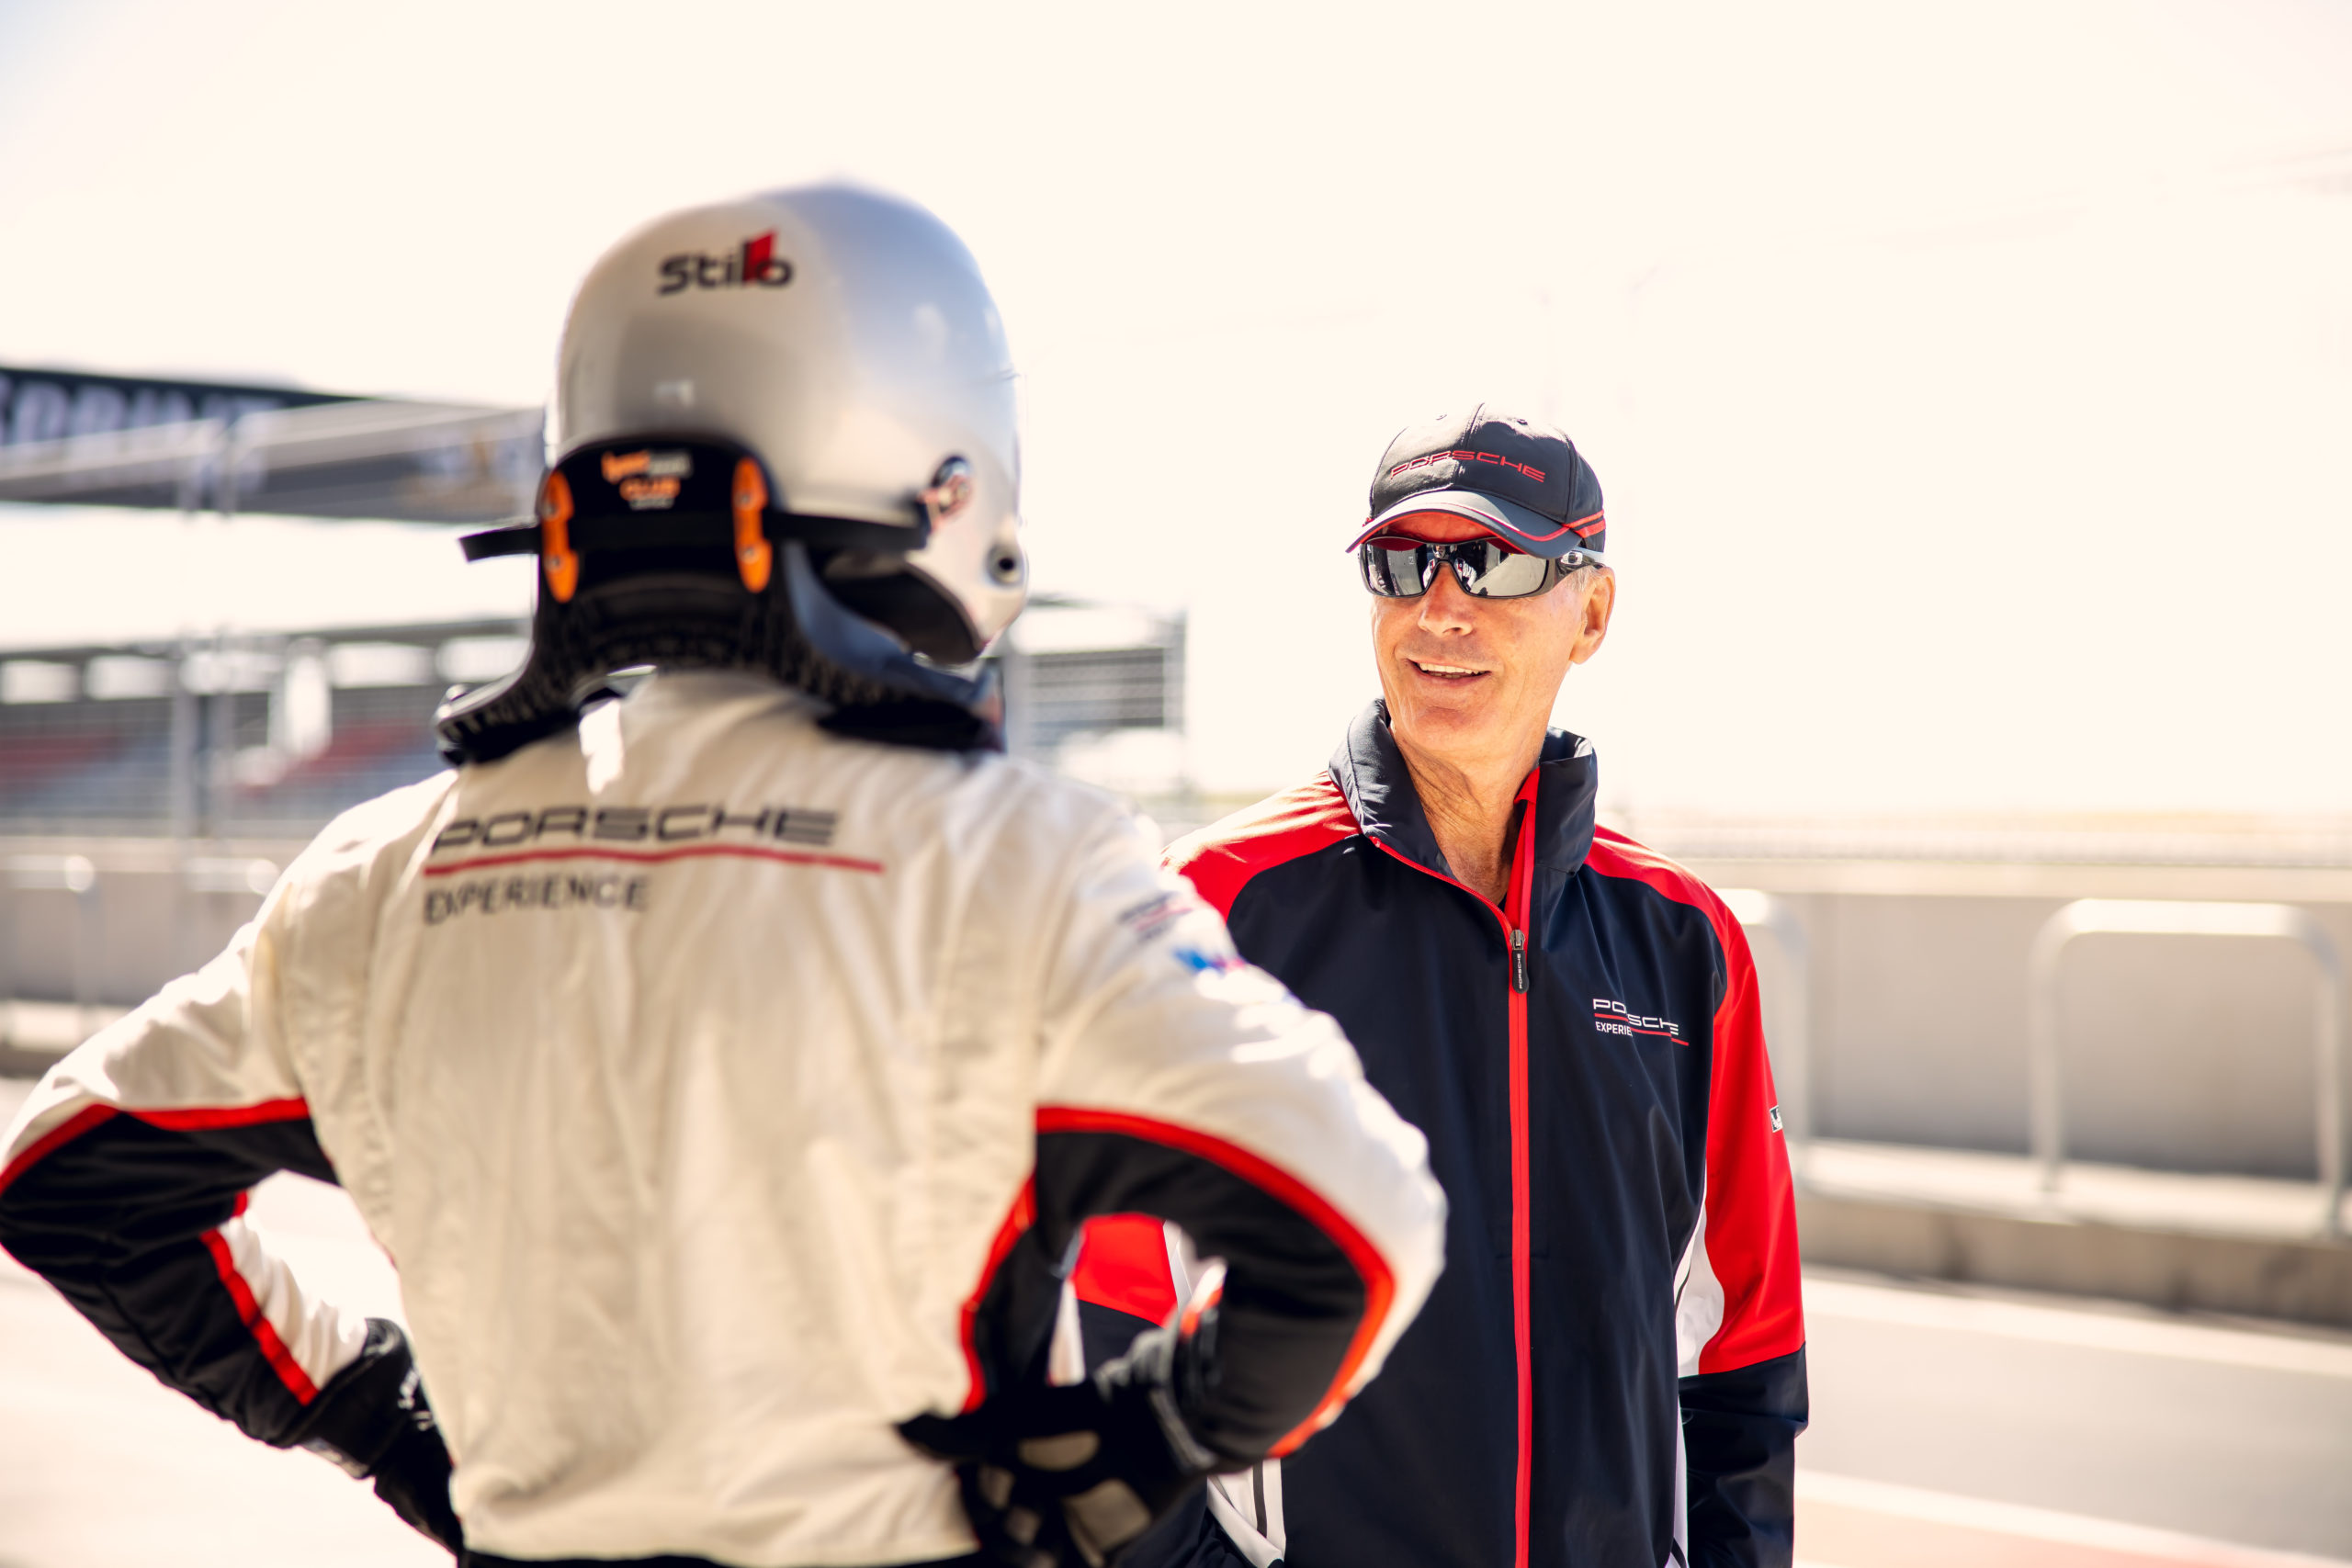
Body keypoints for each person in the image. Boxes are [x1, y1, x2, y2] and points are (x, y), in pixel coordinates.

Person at [0, 186, 1445, 1568]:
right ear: (946, 473)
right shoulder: (1017, 862)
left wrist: (379, 1412)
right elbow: (1360, 1217)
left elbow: (68, 1171)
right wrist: (1133, 1447)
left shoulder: (378, 870)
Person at [1069, 407, 1806, 1568]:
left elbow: (1742, 1352)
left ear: (1592, 614)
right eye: (1402, 563)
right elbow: (1101, 1317)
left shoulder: (1685, 942)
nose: (1441, 606)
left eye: (1494, 562)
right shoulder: (1210, 907)